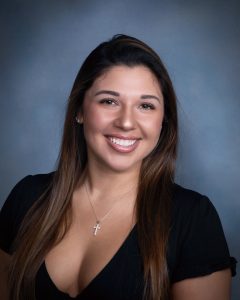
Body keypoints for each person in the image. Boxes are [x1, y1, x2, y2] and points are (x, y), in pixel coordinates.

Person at [0, 34, 236, 300]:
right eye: (109, 101)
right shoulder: (27, 197)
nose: (126, 122)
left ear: (163, 121)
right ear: (79, 110)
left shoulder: (193, 220)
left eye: (145, 106)